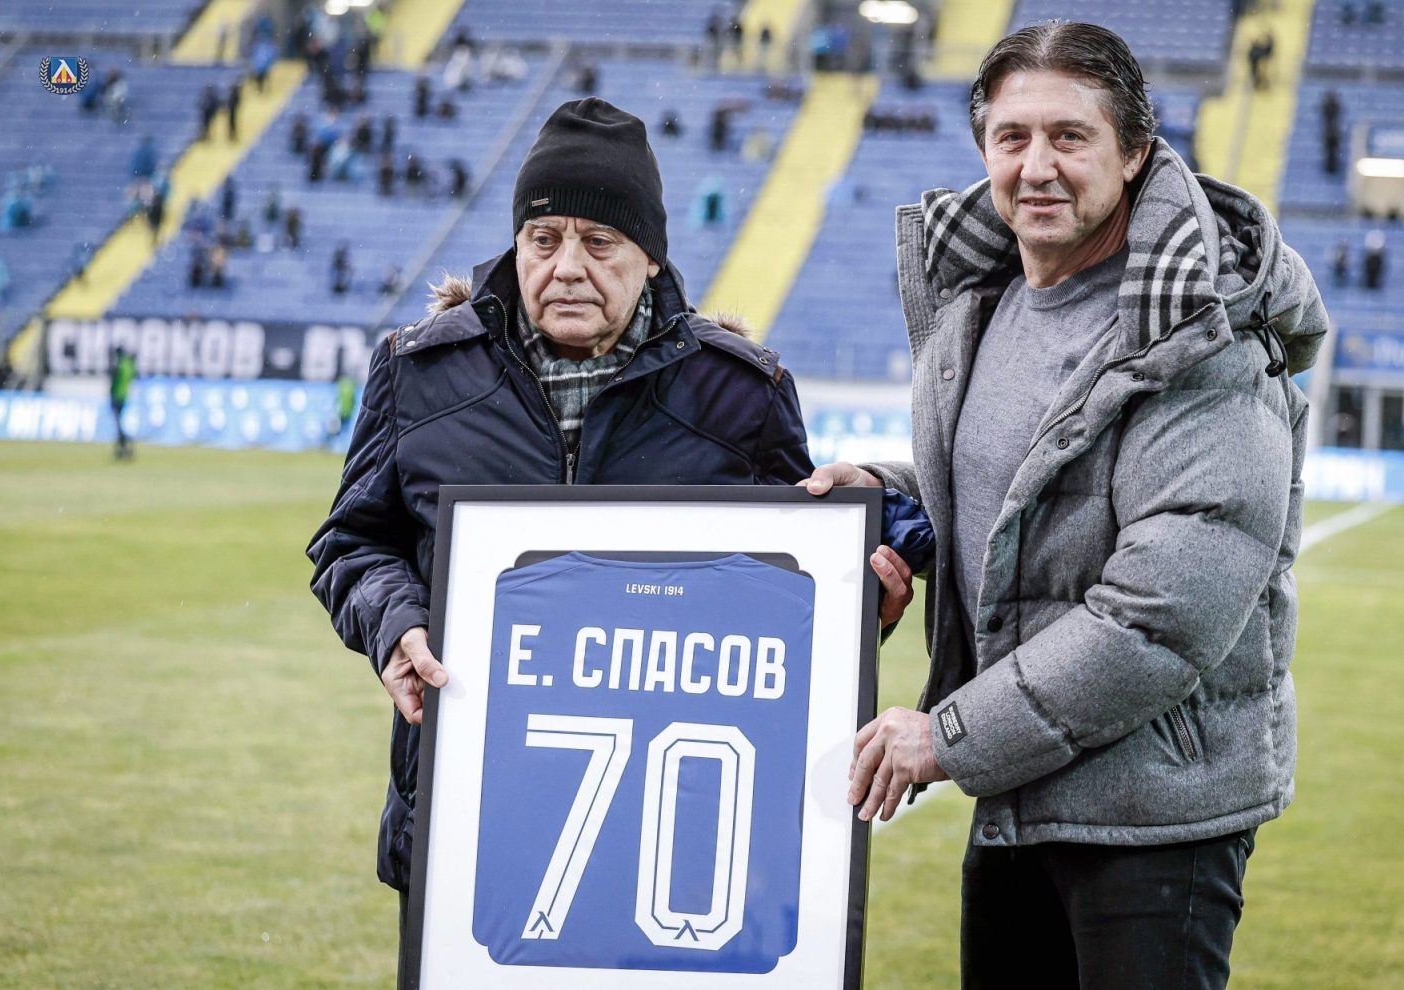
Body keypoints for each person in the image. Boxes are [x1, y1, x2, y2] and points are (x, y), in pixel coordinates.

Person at [804, 22, 1329, 988]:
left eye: (1069, 136)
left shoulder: (1199, 333)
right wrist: (889, 496)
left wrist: (948, 737)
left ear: (1134, 153)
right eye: (1012, 137)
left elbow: (1158, 620)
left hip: (1153, 817)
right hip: (1019, 793)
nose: (1036, 166)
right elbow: (1020, 485)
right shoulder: (985, 299)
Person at [306, 97, 814, 984]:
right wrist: (395, 625)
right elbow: (351, 542)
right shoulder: (418, 372)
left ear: (650, 254)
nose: (566, 267)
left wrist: (868, 597)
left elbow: (797, 594)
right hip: (466, 820)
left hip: (668, 840)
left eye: (599, 242)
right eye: (543, 240)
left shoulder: (742, 395)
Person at [109, 344, 137, 460]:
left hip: (116, 397)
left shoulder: (119, 365)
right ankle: (123, 446)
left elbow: (113, 378)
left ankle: (126, 443)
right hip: (125, 396)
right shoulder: (129, 365)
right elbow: (134, 375)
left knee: (118, 425)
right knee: (119, 423)